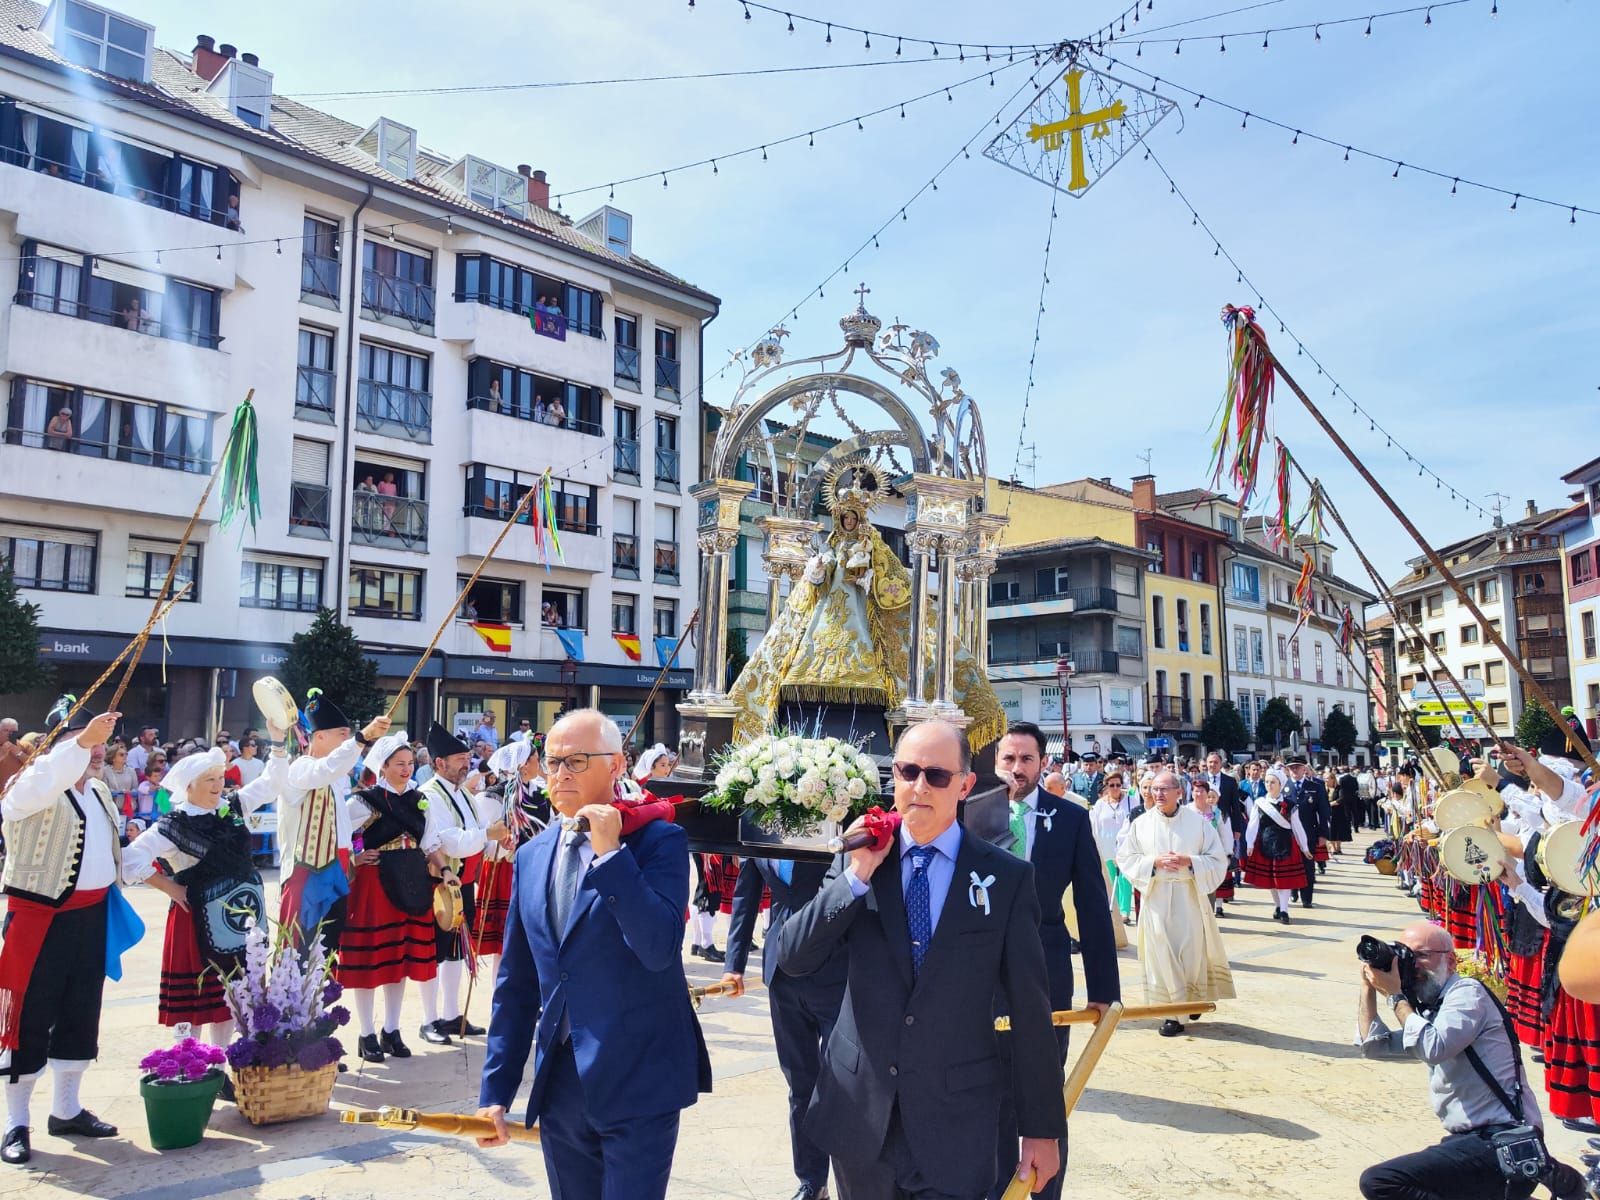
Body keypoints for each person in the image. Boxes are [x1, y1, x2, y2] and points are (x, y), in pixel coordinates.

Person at [775, 720, 1063, 1199]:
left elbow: (1031, 1011)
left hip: (957, 1123)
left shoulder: (1006, 878)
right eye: (908, 772)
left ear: (966, 785)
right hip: (860, 1118)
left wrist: (1041, 1129)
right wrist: (856, 878)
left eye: (937, 775)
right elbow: (794, 957)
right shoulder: (860, 859)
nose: (919, 787)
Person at [476, 710, 710, 1200]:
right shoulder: (533, 855)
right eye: (553, 761)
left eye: (577, 761)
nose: (560, 773)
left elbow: (658, 947)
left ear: (617, 765)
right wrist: (495, 1094)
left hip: (639, 1076)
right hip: (561, 1082)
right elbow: (516, 986)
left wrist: (612, 857)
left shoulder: (657, 841)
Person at [1357, 921, 1582, 1200]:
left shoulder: (1466, 993)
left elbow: (1433, 1047)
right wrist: (1368, 986)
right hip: (1473, 1143)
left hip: (1502, 1142)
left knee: (1380, 1181)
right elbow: (1374, 1047)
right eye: (1405, 955)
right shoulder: (1433, 1009)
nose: (1412, 964)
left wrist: (1395, 996)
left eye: (1422, 955)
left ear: (1450, 960)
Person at [989, 722, 1118, 1200]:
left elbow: (1090, 903)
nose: (1016, 768)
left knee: (1046, 1085)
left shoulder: (1070, 818)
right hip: (983, 971)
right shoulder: (973, 814)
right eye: (1008, 759)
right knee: (990, 1084)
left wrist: (1105, 989)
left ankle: (1046, 1191)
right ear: (995, 762)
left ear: (1042, 763)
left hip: (1046, 967)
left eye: (1026, 759)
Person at [0, 709, 124, 1165]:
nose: (95, 749)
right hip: (39, 918)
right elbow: (18, 802)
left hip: (89, 917)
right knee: (27, 1017)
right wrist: (72, 748)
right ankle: (14, 1122)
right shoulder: (30, 786)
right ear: (58, 744)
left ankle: (66, 1110)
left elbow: (112, 856)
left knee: (80, 1011)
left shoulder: (99, 793)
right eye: (84, 739)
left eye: (100, 740)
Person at [121, 741, 286, 1082]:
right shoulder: (175, 824)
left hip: (237, 918)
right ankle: (186, 1066)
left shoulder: (232, 807)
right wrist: (168, 885)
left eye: (219, 777)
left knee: (229, 993)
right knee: (193, 997)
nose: (217, 785)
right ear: (188, 786)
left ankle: (219, 1067)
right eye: (208, 779)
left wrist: (279, 743)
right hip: (195, 920)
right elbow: (130, 858)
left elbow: (271, 782)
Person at [722, 848, 845, 1200]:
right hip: (781, 971)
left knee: (845, 1084)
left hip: (835, 966)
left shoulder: (831, 809)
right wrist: (735, 963)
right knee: (800, 1083)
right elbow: (746, 895)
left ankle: (854, 1178)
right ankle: (811, 1181)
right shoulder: (760, 821)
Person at [341, 732, 440, 1064]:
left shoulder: (419, 799)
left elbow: (430, 842)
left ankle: (392, 1029)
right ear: (382, 766)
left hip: (411, 878)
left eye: (411, 763)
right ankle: (366, 1033)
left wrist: (444, 870)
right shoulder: (363, 800)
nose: (407, 769)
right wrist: (357, 855)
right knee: (372, 960)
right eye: (399, 764)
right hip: (376, 881)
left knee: (398, 960)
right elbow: (342, 836)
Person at [1116, 770, 1235, 1037]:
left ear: (1179, 793)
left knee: (1189, 953)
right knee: (1162, 955)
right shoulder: (1141, 824)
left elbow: (1217, 859)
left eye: (1164, 789)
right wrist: (1153, 863)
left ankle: (1190, 1001)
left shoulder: (1198, 823)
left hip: (1188, 896)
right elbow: (1126, 858)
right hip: (1157, 897)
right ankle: (1171, 1014)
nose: (1158, 794)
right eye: (1154, 789)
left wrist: (1191, 861)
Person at [279, 691, 390, 957]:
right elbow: (326, 769)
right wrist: (361, 738)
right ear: (319, 737)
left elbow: (343, 825)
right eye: (342, 734)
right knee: (300, 953)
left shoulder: (338, 777)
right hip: (306, 876)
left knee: (328, 952)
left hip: (337, 870)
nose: (347, 741)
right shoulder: (301, 769)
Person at [418, 722, 498, 1044]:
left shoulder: (464, 794)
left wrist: (496, 843)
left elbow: (478, 834)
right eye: (460, 759)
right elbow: (448, 841)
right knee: (434, 953)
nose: (467, 764)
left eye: (468, 758)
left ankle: (450, 1015)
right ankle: (428, 1020)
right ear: (440, 763)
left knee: (456, 952)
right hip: (439, 885)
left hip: (463, 884)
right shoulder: (429, 795)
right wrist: (486, 836)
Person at [1242, 771, 1312, 923]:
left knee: (1283, 879)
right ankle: (1278, 906)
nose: (1269, 785)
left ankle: (1285, 910)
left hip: (1285, 844)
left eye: (1273, 782)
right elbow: (1253, 824)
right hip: (1265, 843)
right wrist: (1250, 843)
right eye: (1267, 782)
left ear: (1281, 785)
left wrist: (1304, 846)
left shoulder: (1291, 804)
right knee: (1271, 879)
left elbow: (1297, 826)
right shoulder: (1259, 802)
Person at [1090, 772, 1134, 927]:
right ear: (1106, 786)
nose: (1115, 788)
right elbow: (1095, 826)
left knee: (1124, 879)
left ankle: (1125, 911)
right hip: (1106, 846)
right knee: (1109, 878)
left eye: (1118, 785)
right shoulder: (1100, 804)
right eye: (1111, 785)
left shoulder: (1130, 800)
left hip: (1125, 847)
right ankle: (1113, 909)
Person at [1188, 777, 1236, 918]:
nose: (1198, 794)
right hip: (1191, 856)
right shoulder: (1185, 810)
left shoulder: (1217, 812)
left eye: (1202, 791)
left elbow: (1225, 834)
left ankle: (1208, 919)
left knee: (1209, 888)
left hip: (1211, 857)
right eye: (1196, 791)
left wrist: (1227, 854)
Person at [1286, 755, 1330, 904]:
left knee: (1307, 866)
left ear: (1304, 768)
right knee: (1290, 865)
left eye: (1297, 767)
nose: (1295, 770)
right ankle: (1293, 891)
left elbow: (1324, 812)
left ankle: (1307, 898)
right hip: (1288, 835)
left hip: (1308, 832)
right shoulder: (1283, 787)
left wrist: (1323, 834)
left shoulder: (1315, 787)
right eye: (1291, 767)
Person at [0, 719, 24, 794]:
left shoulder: (25, 745)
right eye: (6, 730)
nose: (9, 734)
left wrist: (19, 753)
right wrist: (2, 755)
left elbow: (34, 764)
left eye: (13, 731)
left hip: (18, 792)